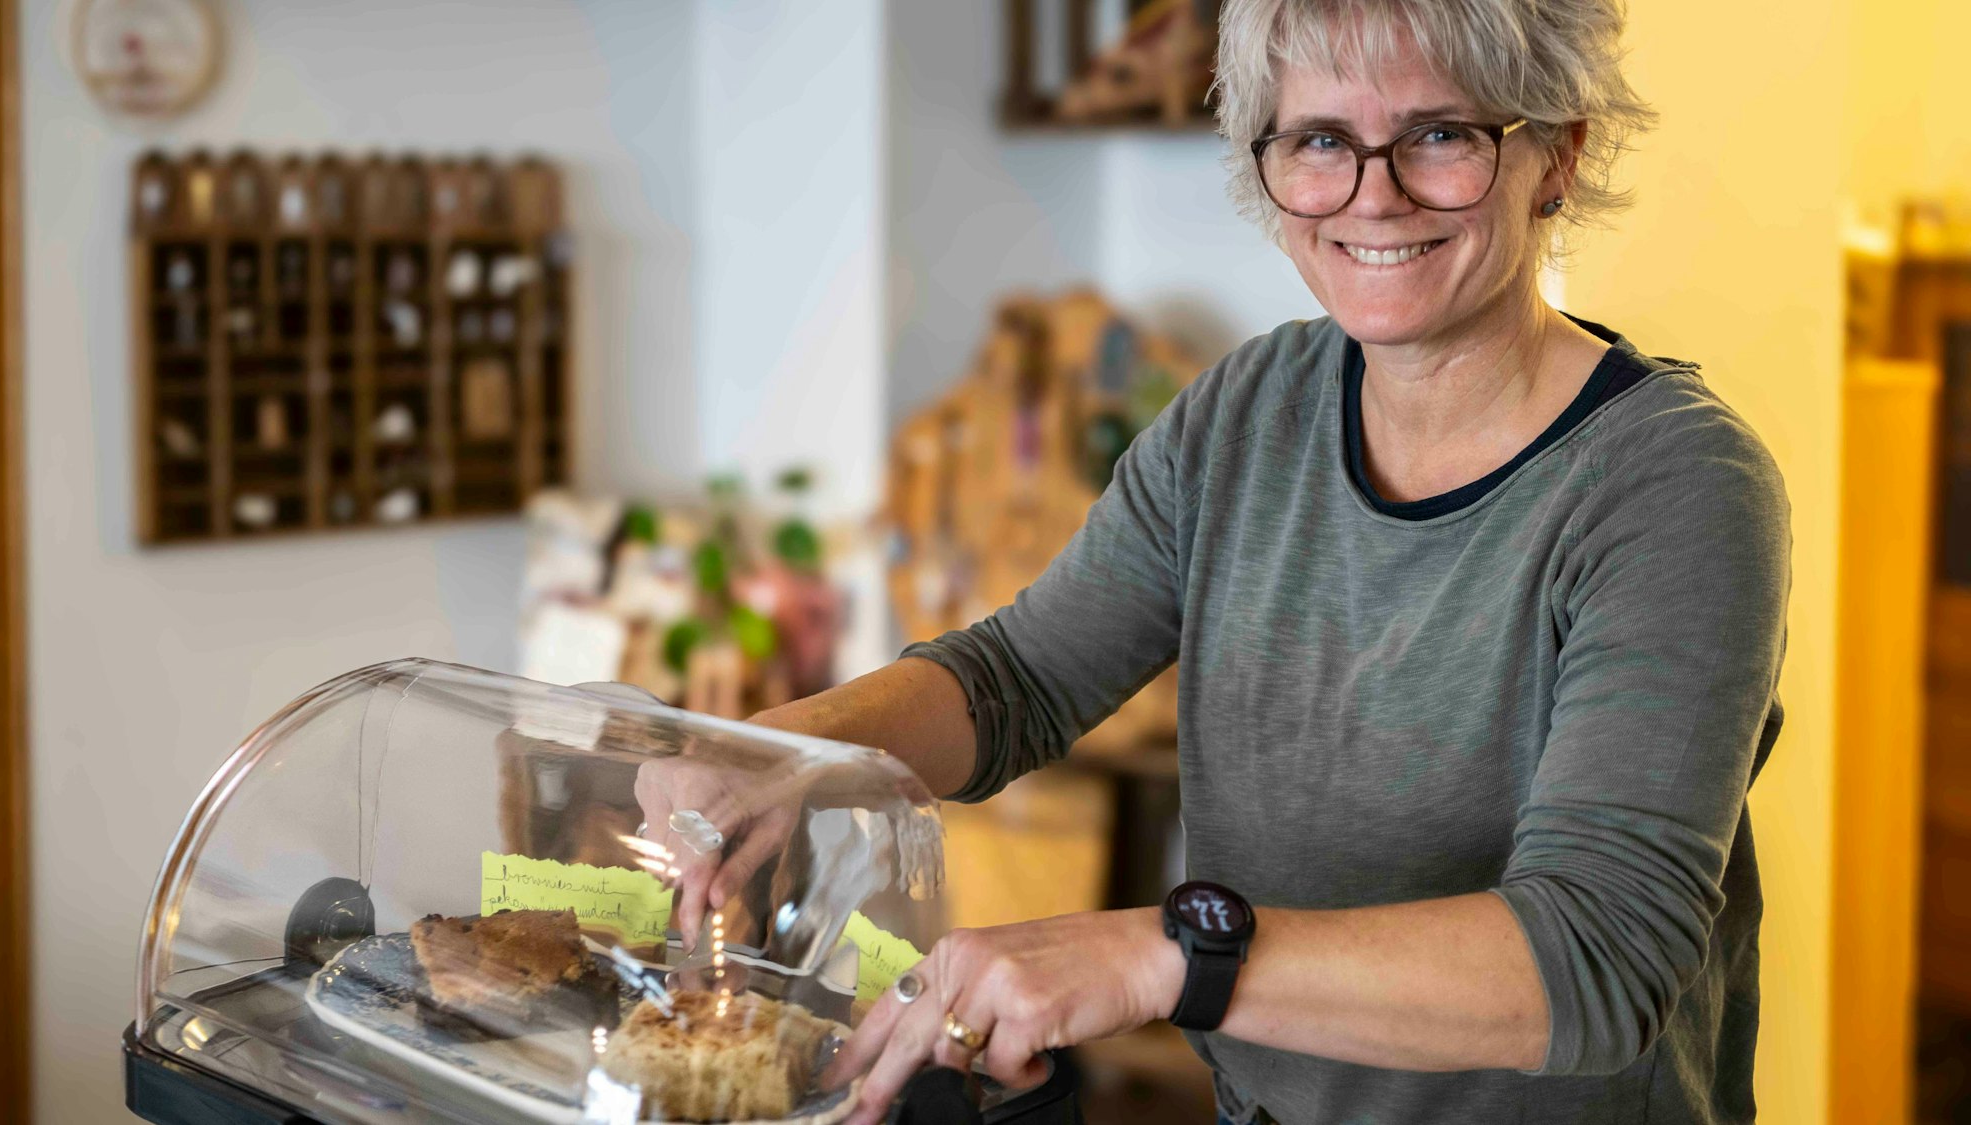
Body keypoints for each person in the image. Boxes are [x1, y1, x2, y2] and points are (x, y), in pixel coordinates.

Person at [639, 1, 1788, 1121]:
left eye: (1440, 135)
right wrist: (783, 757)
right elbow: (1018, 679)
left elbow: (1596, 958)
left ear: (1557, 157)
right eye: (1320, 141)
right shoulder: (1246, 412)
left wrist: (1159, 956)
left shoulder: (1672, 487)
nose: (1370, 193)